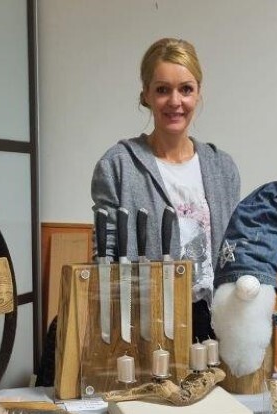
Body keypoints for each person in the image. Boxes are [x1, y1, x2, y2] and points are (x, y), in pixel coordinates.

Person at [91, 37, 240, 341]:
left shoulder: (222, 168)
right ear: (146, 94)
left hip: (214, 323)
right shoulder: (118, 166)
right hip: (146, 325)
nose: (175, 101)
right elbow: (104, 258)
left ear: (198, 93)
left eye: (185, 89)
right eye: (162, 90)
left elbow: (234, 249)